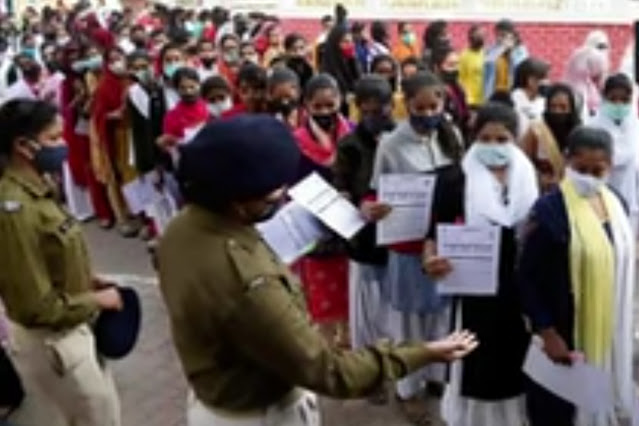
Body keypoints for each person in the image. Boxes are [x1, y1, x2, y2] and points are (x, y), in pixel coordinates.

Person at [158, 114, 478, 426]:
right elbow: (330, 371)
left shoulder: (182, 228)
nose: (280, 196)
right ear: (238, 202)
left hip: (214, 399)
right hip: (263, 414)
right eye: (271, 194)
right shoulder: (251, 283)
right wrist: (424, 352)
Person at [0, 99, 123, 426]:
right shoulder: (14, 209)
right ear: (24, 146)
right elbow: (35, 306)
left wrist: (86, 279)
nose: (63, 144)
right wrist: (97, 300)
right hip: (55, 344)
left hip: (72, 330)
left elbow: (51, 255)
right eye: (53, 138)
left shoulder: (39, 187)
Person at [424, 102, 538, 426]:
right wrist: (430, 259)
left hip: (516, 290)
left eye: (502, 139)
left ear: (515, 139)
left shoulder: (528, 178)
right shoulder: (454, 180)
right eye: (485, 138)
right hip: (474, 292)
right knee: (477, 359)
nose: (493, 146)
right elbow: (433, 233)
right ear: (473, 138)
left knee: (514, 357)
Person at [519, 126, 635, 426]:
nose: (589, 177)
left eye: (598, 171)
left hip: (607, 328)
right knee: (559, 412)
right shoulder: (549, 210)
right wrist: (547, 332)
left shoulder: (616, 204)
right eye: (581, 169)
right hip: (564, 330)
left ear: (610, 167)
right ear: (567, 161)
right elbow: (526, 278)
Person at [371, 71, 464, 424]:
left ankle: (437, 375)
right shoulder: (391, 144)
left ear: (443, 103)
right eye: (419, 107)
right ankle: (408, 389)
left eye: (434, 106)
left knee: (441, 315)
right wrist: (373, 208)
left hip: (445, 241)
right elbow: (374, 191)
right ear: (406, 104)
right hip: (408, 245)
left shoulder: (452, 135)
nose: (428, 113)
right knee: (409, 322)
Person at [333, 75, 394, 360]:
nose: (372, 117)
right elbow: (341, 185)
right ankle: (368, 367)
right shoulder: (349, 145)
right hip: (364, 241)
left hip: (398, 239)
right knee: (366, 315)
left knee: (395, 313)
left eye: (378, 111)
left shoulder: (402, 139)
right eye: (365, 111)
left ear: (391, 106)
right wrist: (355, 203)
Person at [293, 73, 352, 346]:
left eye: (331, 105)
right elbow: (291, 183)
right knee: (321, 292)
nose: (325, 112)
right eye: (318, 107)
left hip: (349, 225)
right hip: (314, 226)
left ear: (340, 101)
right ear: (306, 105)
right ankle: (325, 346)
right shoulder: (296, 142)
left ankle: (348, 338)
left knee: (348, 287)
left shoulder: (352, 135)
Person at [589, 73, 639, 233]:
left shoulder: (636, 129)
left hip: (632, 200)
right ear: (604, 99)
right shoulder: (591, 129)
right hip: (598, 200)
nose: (619, 104)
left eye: (624, 100)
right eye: (613, 99)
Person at [521, 83, 581, 192]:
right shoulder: (536, 131)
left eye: (563, 107)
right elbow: (524, 163)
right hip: (542, 189)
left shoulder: (579, 133)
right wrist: (540, 178)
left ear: (571, 109)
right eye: (553, 107)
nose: (557, 111)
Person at [483, 19, 528, 102]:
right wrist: (501, 49)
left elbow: (521, 69)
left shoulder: (520, 51)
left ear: (512, 35)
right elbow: (487, 64)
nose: (499, 38)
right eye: (497, 35)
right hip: (492, 94)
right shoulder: (492, 50)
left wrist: (511, 51)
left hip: (512, 94)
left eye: (503, 35)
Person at [432, 45, 470, 138]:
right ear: (437, 67)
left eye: (457, 64)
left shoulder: (457, 87)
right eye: (450, 65)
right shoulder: (434, 91)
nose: (455, 69)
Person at [511, 57, 550, 138]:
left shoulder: (543, 101)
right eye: (544, 78)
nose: (547, 82)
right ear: (530, 80)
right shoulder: (513, 99)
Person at [458, 24, 485, 110]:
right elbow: (460, 78)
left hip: (485, 99)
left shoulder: (487, 54)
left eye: (482, 35)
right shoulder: (464, 56)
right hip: (471, 101)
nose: (481, 38)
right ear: (470, 38)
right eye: (477, 36)